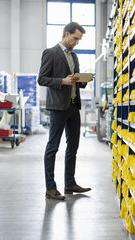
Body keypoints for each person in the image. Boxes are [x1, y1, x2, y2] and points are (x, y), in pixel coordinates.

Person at [38, 22, 92, 200]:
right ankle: (50, 188)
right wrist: (62, 81)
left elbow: (74, 79)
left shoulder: (74, 56)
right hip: (58, 107)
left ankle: (69, 183)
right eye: (75, 38)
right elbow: (42, 79)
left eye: (79, 39)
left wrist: (84, 80)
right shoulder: (50, 53)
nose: (77, 42)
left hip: (73, 105)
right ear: (66, 34)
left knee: (73, 146)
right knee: (53, 147)